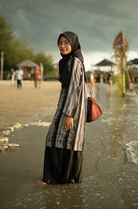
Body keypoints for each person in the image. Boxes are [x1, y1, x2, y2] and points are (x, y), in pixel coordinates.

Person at [38, 31, 88, 185]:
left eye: (66, 42)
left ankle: (56, 178)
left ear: (73, 44)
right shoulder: (69, 61)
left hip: (71, 109)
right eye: (60, 43)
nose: (63, 46)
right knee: (67, 140)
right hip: (70, 106)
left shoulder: (74, 61)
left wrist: (68, 114)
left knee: (57, 138)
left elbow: (74, 88)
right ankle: (68, 178)